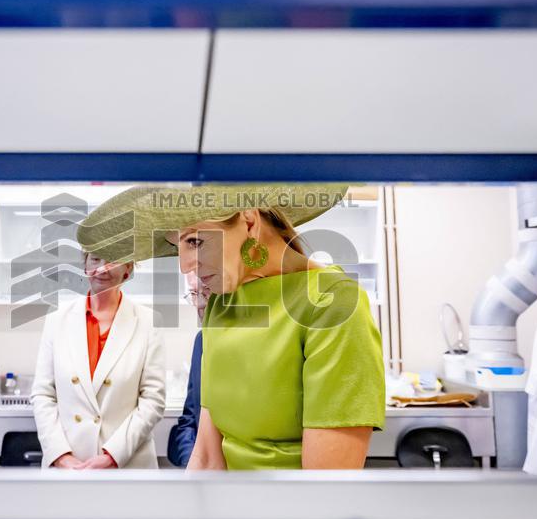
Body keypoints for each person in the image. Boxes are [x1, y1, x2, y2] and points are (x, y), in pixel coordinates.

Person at [78, 184, 385, 470]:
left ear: (249, 223)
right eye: (178, 247)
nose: (184, 266)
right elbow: (208, 456)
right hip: (226, 516)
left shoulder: (333, 303)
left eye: (195, 241)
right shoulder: (221, 307)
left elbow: (325, 488)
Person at [31, 252, 166, 469]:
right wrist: (60, 455)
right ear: (84, 265)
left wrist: (112, 456)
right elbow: (43, 394)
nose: (102, 268)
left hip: (126, 465)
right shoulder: (57, 320)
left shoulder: (148, 321)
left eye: (113, 258)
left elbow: (153, 400)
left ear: (128, 269)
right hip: (69, 466)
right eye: (95, 259)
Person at [166, 272, 210, 467]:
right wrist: (190, 463)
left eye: (206, 292)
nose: (199, 304)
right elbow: (190, 420)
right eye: (193, 293)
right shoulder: (201, 342)